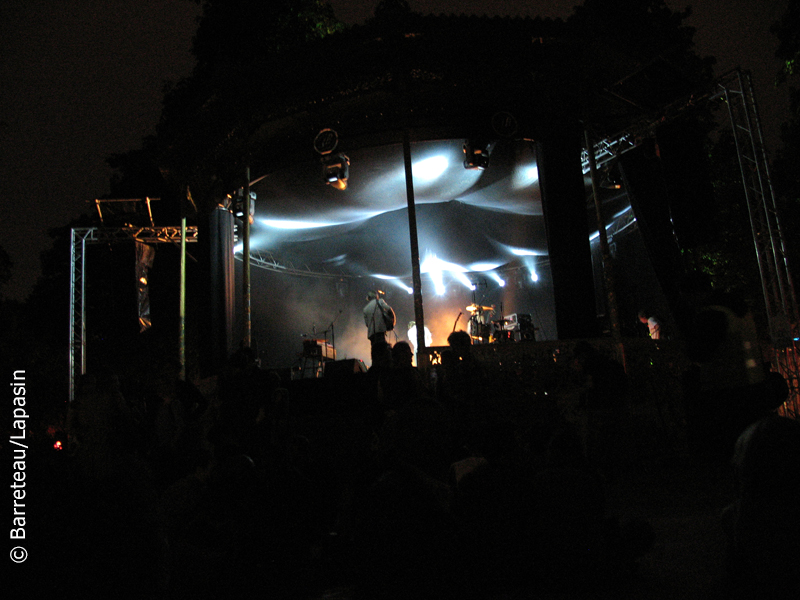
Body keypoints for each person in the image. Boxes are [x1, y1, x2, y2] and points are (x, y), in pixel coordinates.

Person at [363, 290, 395, 369]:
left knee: (375, 352)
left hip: (371, 334)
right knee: (382, 351)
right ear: (376, 296)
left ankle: (375, 368)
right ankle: (384, 368)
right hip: (380, 331)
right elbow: (389, 309)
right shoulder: (380, 301)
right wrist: (392, 322)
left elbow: (367, 324)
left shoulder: (365, 309)